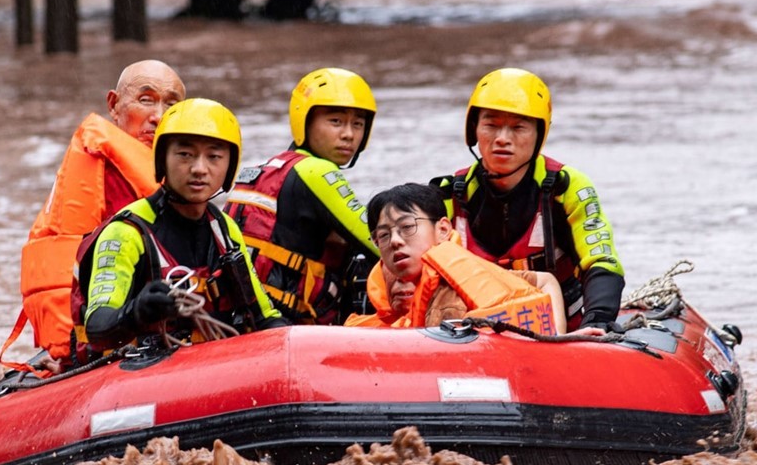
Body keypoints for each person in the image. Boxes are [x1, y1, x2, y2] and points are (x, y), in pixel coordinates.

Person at [1, 60, 186, 371]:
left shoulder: (181, 174)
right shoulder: (103, 169)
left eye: (171, 104)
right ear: (113, 105)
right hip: (102, 334)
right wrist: (75, 352)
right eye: (146, 99)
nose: (159, 116)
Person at [74, 98, 287, 356]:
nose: (199, 169)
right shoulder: (126, 232)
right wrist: (138, 311)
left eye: (214, 157)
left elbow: (264, 316)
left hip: (210, 367)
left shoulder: (225, 230)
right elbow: (98, 328)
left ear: (229, 167)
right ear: (162, 160)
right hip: (138, 373)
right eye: (185, 154)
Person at [432, 68, 625, 330]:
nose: (502, 138)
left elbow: (602, 260)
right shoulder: (447, 193)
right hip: (472, 329)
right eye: (491, 124)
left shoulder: (566, 187)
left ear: (539, 135)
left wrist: (599, 320)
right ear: (473, 130)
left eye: (518, 127)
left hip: (564, 326)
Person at [226, 67, 380, 324]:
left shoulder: (268, 169)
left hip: (244, 318)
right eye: (336, 122)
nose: (348, 135)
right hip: (288, 326)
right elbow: (378, 240)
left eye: (358, 124)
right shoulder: (316, 171)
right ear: (304, 122)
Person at [345, 183, 565, 332]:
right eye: (383, 235)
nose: (394, 240)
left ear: (442, 230)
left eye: (407, 227)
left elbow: (546, 281)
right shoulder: (390, 283)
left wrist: (557, 340)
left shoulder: (462, 287)